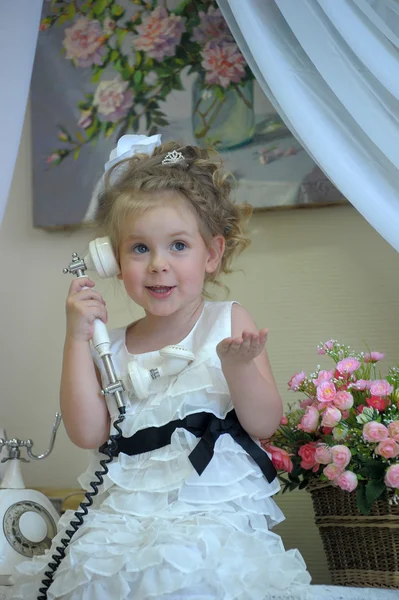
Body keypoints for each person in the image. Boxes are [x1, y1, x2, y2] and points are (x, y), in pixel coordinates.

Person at [9, 136, 312, 600]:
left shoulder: (226, 322)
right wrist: (77, 336)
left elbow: (266, 423)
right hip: (126, 511)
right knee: (97, 579)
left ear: (210, 254)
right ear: (111, 260)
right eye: (139, 249)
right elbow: (88, 434)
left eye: (177, 246)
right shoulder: (114, 346)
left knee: (187, 578)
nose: (158, 266)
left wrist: (239, 369)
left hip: (206, 508)